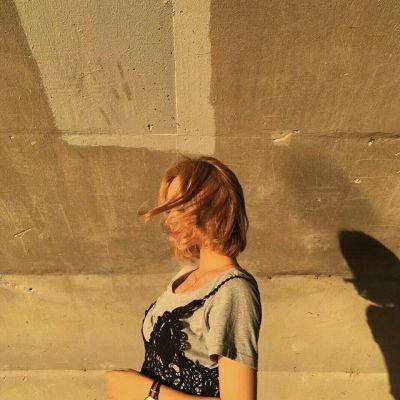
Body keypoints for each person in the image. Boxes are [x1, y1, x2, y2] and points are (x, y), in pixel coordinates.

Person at [104, 155, 262, 400]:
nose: (169, 219)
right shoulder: (185, 276)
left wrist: (148, 393)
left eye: (180, 208)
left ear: (213, 207)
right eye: (168, 209)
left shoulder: (233, 291)